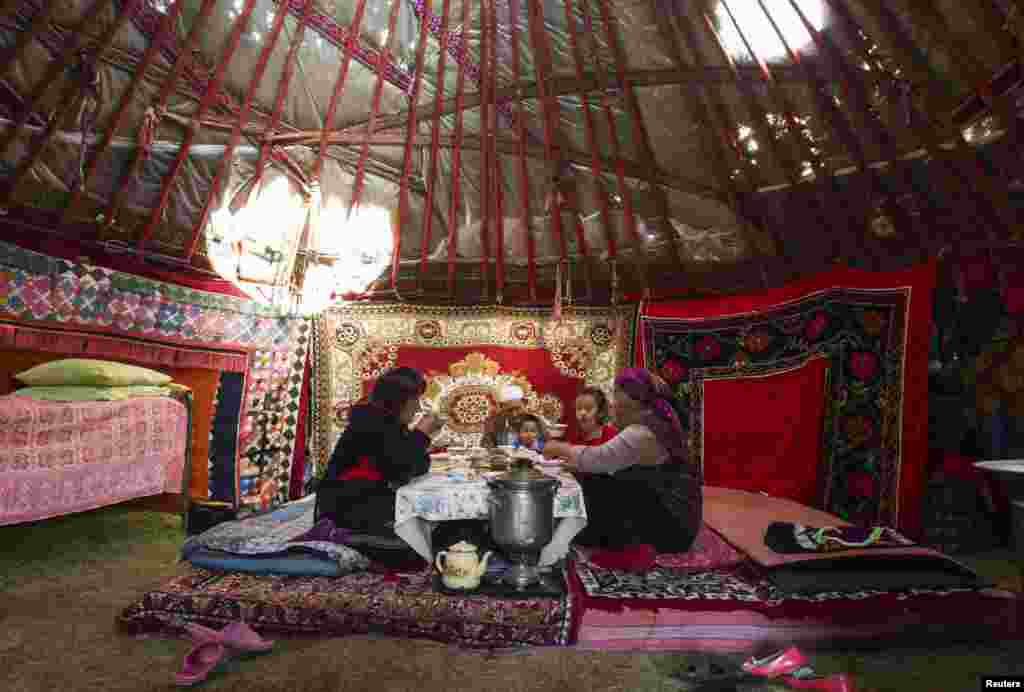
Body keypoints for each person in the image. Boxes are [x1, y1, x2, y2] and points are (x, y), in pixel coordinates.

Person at [542, 368, 701, 554]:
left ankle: (586, 532)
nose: (613, 402)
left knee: (595, 487)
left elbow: (599, 458)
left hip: (671, 529)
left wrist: (558, 447)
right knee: (596, 481)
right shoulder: (653, 422)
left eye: (616, 393)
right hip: (674, 518)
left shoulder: (642, 432)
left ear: (632, 398)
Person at [319, 369, 444, 535]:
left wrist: (421, 437)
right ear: (398, 400)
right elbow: (399, 471)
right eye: (415, 399)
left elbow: (419, 467)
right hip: (351, 509)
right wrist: (421, 434)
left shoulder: (392, 424)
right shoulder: (370, 423)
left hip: (373, 501)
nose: (418, 407)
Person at [480, 383, 527, 448]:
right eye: (509, 410)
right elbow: (486, 444)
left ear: (525, 403)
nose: (514, 414)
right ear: (502, 407)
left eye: (518, 409)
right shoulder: (494, 421)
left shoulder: (536, 421)